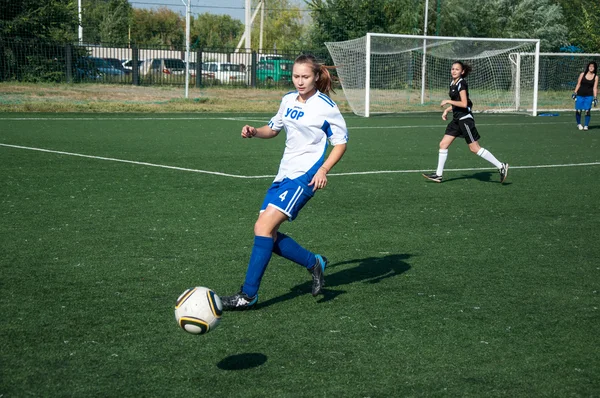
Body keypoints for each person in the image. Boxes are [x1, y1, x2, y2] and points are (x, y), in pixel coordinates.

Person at [220, 54, 348, 310]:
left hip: (305, 176)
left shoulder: (326, 106)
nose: (300, 82)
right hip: (283, 174)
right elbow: (273, 129)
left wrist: (323, 169)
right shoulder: (288, 99)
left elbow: (341, 142)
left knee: (265, 227)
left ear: (315, 77)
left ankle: (248, 295)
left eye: (305, 77)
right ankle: (314, 263)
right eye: (296, 76)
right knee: (264, 230)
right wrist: (255, 132)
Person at [422, 61, 508, 184]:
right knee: (443, 145)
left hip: (465, 120)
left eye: (457, 69)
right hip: (457, 120)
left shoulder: (462, 83)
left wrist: (448, 101)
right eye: (452, 69)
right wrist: (447, 110)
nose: (454, 71)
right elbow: (458, 103)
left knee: (474, 148)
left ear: (462, 72)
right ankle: (438, 175)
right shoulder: (453, 83)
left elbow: (464, 104)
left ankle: (501, 166)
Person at [572, 61, 598, 131]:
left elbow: (595, 88)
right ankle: (579, 124)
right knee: (578, 110)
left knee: (587, 110)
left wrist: (595, 97)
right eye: (590, 66)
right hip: (580, 95)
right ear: (588, 67)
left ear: (595, 68)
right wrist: (575, 92)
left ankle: (586, 125)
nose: (591, 67)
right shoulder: (582, 74)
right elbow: (578, 84)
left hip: (589, 96)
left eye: (593, 66)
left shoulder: (596, 77)